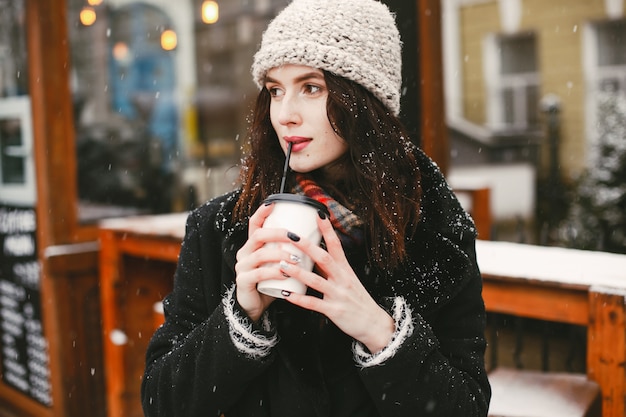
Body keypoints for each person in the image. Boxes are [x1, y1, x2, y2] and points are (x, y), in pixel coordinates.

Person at [141, 0, 491, 415]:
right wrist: (240, 315)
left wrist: (382, 333)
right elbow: (162, 402)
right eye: (275, 90)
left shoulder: (431, 228)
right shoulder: (223, 228)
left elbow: (465, 407)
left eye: (311, 87)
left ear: (364, 100)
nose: (285, 115)